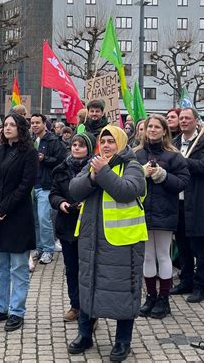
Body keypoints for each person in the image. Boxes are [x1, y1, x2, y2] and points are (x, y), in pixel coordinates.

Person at [68, 126, 147, 361]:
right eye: (103, 141)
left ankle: (123, 341)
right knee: (88, 285)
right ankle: (85, 334)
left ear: (121, 143)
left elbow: (127, 191)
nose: (106, 145)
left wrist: (103, 172)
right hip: (91, 240)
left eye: (112, 141)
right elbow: (74, 190)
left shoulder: (132, 165)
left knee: (123, 291)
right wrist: (92, 176)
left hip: (123, 243)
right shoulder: (93, 164)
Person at [0, 113, 38, 331]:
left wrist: (4, 209)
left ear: (20, 128)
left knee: (18, 267)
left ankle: (16, 311)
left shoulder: (29, 153)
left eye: (12, 125)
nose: (7, 128)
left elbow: (25, 186)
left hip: (17, 216)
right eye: (5, 125)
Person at [135, 115, 190, 319]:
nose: (153, 130)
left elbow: (183, 182)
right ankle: (150, 296)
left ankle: (163, 299)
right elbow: (127, 179)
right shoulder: (137, 154)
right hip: (142, 212)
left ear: (165, 131)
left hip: (165, 211)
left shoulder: (174, 156)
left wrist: (162, 175)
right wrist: (142, 173)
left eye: (157, 127)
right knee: (147, 256)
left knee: (163, 255)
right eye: (150, 126)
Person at [171, 107, 204, 303]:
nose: (183, 121)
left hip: (198, 203)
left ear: (196, 121)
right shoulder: (173, 143)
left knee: (200, 248)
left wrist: (184, 161)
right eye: (181, 118)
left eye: (187, 118)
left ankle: (201, 286)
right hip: (178, 203)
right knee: (182, 247)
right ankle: (186, 281)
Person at [50, 132, 96, 322]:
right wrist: (61, 203)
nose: (76, 148)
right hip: (67, 225)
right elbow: (52, 194)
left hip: (88, 226)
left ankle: (90, 310)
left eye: (81, 145)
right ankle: (75, 305)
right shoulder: (61, 169)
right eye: (74, 144)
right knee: (71, 269)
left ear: (90, 149)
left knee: (88, 270)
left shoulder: (95, 169)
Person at [30, 113, 67, 265]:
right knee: (35, 220)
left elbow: (61, 161)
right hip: (32, 186)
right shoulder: (31, 140)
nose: (34, 125)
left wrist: (43, 158)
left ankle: (48, 250)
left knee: (44, 218)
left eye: (37, 122)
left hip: (46, 185)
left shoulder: (54, 141)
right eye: (32, 123)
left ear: (44, 123)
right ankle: (39, 247)